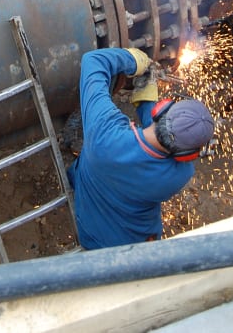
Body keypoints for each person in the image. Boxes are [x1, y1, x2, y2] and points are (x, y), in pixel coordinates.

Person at [66, 47, 215, 250]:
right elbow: (159, 140)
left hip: (92, 237)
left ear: (162, 109)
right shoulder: (180, 174)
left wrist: (134, 60)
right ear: (186, 155)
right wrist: (145, 101)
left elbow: (92, 60)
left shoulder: (103, 133)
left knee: (82, 169)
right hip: (141, 247)